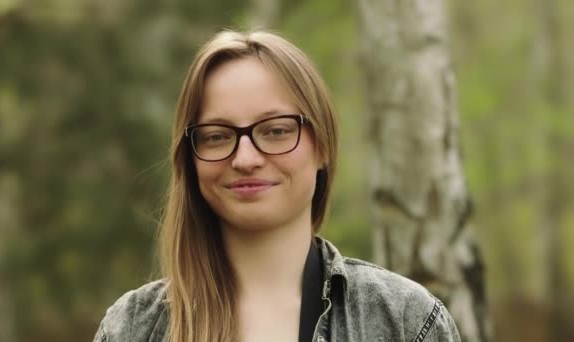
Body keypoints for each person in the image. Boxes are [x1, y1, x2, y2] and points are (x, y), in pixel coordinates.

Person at [93, 29, 461, 342]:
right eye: (218, 136)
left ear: (323, 146)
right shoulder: (132, 328)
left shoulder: (403, 319)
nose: (246, 158)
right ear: (189, 158)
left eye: (276, 131)